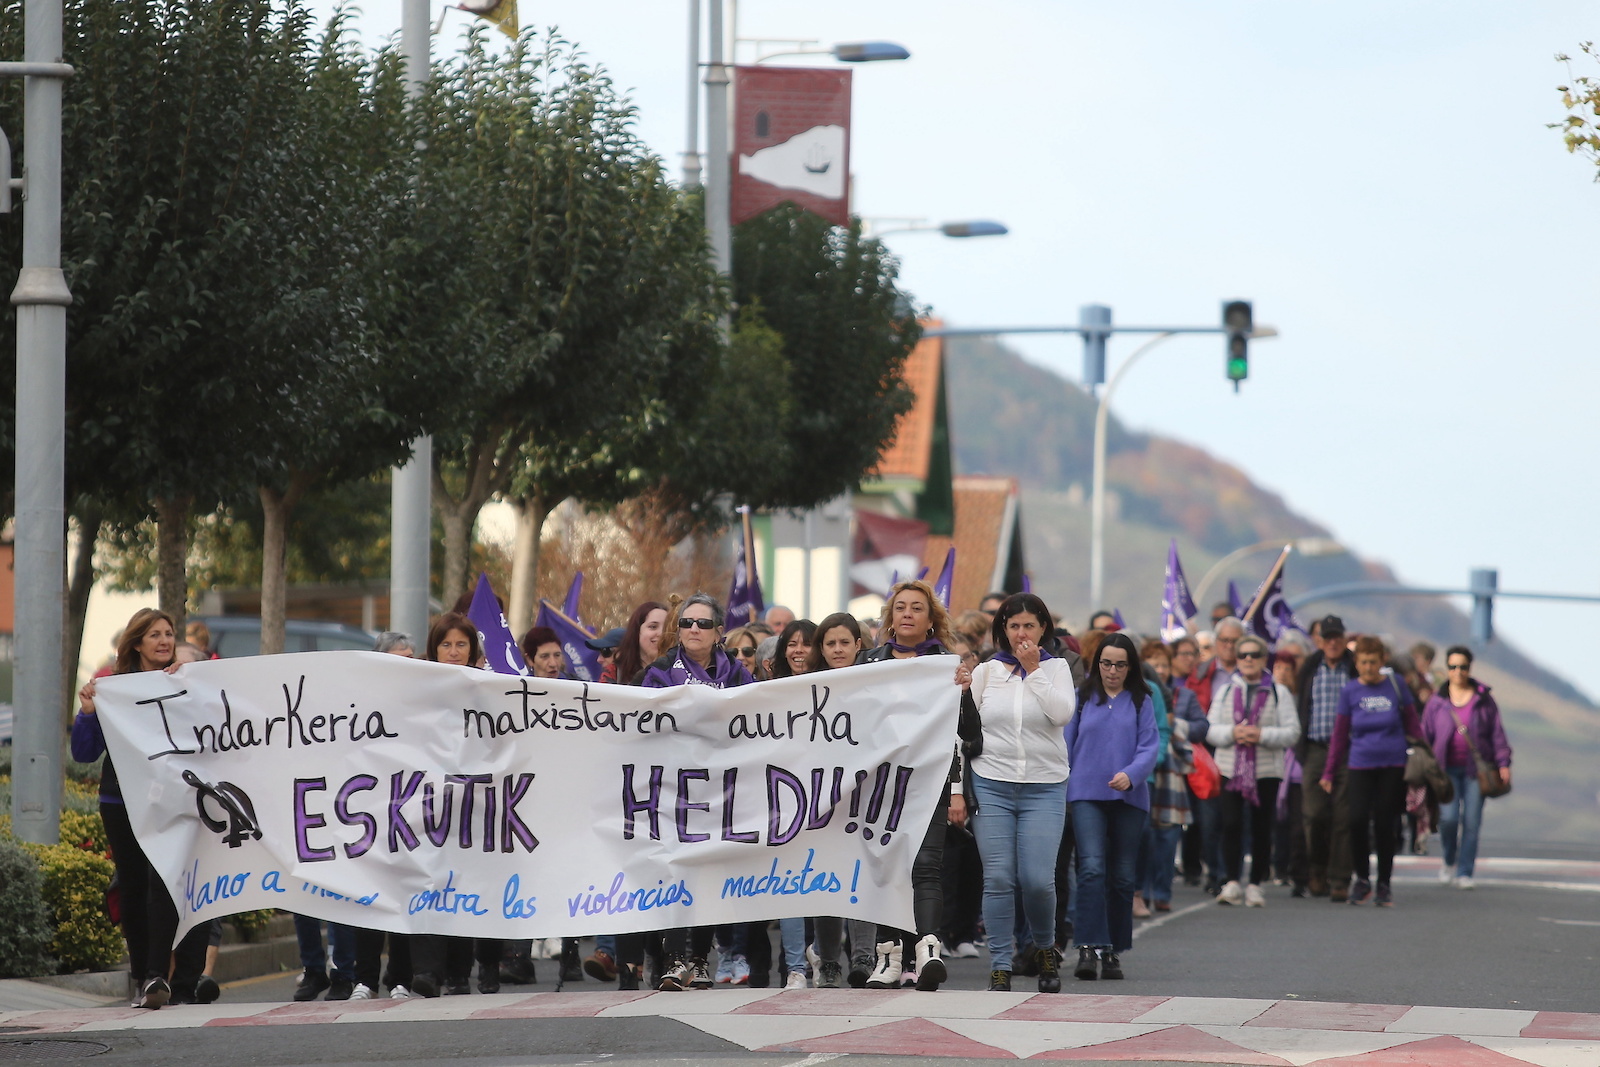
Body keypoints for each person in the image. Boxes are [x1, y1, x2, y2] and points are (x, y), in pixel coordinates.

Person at [72, 608, 211, 1009]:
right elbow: (83, 753)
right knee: (132, 888)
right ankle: (142, 977)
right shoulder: (113, 689)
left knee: (166, 884)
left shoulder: (185, 683)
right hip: (121, 802)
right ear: (136, 644)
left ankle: (161, 977)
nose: (165, 641)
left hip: (174, 802)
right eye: (155, 635)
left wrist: (186, 686)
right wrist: (87, 713)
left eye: (169, 633)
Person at [960, 593, 1075, 993]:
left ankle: (1044, 948)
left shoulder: (1057, 668)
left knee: (1038, 880)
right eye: (1013, 627)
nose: (1021, 634)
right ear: (1002, 631)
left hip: (1044, 785)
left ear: (1043, 628)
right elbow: (964, 733)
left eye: (1029, 625)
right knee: (999, 878)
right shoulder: (988, 672)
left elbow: (1060, 714)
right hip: (992, 782)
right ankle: (1001, 963)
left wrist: (1034, 670)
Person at [643, 594, 755, 990]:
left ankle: (700, 960)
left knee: (709, 872)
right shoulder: (659, 670)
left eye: (703, 624)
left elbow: (758, 719)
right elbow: (643, 725)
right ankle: (673, 960)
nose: (693, 629)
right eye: (687, 622)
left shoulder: (738, 674)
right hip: (675, 789)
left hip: (722, 790)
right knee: (678, 869)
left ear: (719, 632)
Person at [854, 579, 960, 992]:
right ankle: (889, 959)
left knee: (925, 866)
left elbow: (969, 732)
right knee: (885, 867)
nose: (908, 614)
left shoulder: (946, 664)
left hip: (928, 780)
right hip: (880, 783)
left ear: (931, 619)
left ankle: (927, 952)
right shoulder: (868, 663)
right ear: (890, 617)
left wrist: (963, 694)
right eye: (901, 608)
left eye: (917, 608)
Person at [410, 614, 504, 996]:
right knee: (427, 878)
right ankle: (427, 971)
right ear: (433, 650)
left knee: (463, 880)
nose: (453, 652)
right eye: (445, 645)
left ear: (472, 650)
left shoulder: (487, 691)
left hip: (473, 804)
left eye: (460, 645)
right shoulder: (416, 691)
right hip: (425, 803)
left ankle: (458, 972)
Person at [1063, 632, 1160, 982]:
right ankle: (1087, 946)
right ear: (1096, 664)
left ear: (1130, 666)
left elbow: (1150, 746)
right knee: (1090, 868)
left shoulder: (1141, 700)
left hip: (1129, 798)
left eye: (1120, 664)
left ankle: (1113, 950)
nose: (1113, 671)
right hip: (1087, 795)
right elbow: (1066, 746)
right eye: (1106, 663)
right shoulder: (1082, 697)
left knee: (1121, 877)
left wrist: (1131, 774)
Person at [1319, 636, 1422, 907]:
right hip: (1360, 763)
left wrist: (1427, 759)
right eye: (1363, 662)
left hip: (1392, 764)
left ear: (1382, 661)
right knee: (1356, 820)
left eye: (1373, 662)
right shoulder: (1350, 691)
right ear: (1357, 662)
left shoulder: (1396, 686)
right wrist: (1329, 772)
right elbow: (1340, 735)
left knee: (1386, 824)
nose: (1368, 667)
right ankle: (1362, 878)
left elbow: (1413, 724)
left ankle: (1384, 884)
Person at [1206, 634, 1300, 908]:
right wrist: (1234, 732)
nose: (1248, 659)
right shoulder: (1225, 690)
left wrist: (1261, 735)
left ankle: (1256, 883)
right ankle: (1232, 880)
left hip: (1266, 769)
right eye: (1243, 655)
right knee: (1231, 824)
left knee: (1261, 827)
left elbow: (1292, 732)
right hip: (1230, 767)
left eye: (1254, 655)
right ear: (1237, 660)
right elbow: (1210, 729)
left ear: (1263, 659)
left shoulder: (1277, 691)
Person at [352, 631, 420, 999]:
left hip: (413, 816)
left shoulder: (427, 704)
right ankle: (364, 978)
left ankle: (401, 978)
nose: (407, 665)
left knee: (405, 895)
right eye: (399, 658)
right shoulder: (362, 704)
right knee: (371, 897)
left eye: (412, 657)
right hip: (371, 815)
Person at [1422, 646, 1512, 890]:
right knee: (1449, 819)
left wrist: (1503, 763)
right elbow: (1425, 735)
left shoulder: (1483, 700)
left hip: (1477, 771)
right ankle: (1448, 860)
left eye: (1462, 667)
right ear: (1447, 669)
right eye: (1453, 667)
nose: (1458, 671)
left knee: (1472, 822)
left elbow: (1496, 733)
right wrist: (1423, 766)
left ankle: (1465, 871)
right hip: (1445, 769)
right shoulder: (1437, 701)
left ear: (1469, 669)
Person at [1295, 615, 1357, 902]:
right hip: (1315, 749)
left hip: (1348, 750)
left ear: (1344, 639)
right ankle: (1316, 869)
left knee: (1344, 817)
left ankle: (1340, 878)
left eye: (1337, 637)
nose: (1332, 642)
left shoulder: (1354, 667)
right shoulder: (1310, 667)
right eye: (1327, 637)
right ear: (1319, 640)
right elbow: (1300, 707)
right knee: (1314, 814)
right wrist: (1301, 749)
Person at [1141, 640, 1204, 913]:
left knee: (1167, 836)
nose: (1161, 669)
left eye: (1164, 664)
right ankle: (1141, 891)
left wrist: (1177, 727)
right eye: (1155, 664)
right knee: (1145, 835)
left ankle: (1163, 892)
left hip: (1170, 772)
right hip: (1143, 772)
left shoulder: (1183, 695)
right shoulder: (1139, 693)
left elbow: (1202, 727)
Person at [611, 601, 668, 686]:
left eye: (667, 628)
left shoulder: (680, 673)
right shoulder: (614, 672)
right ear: (636, 631)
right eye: (653, 627)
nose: (661, 633)